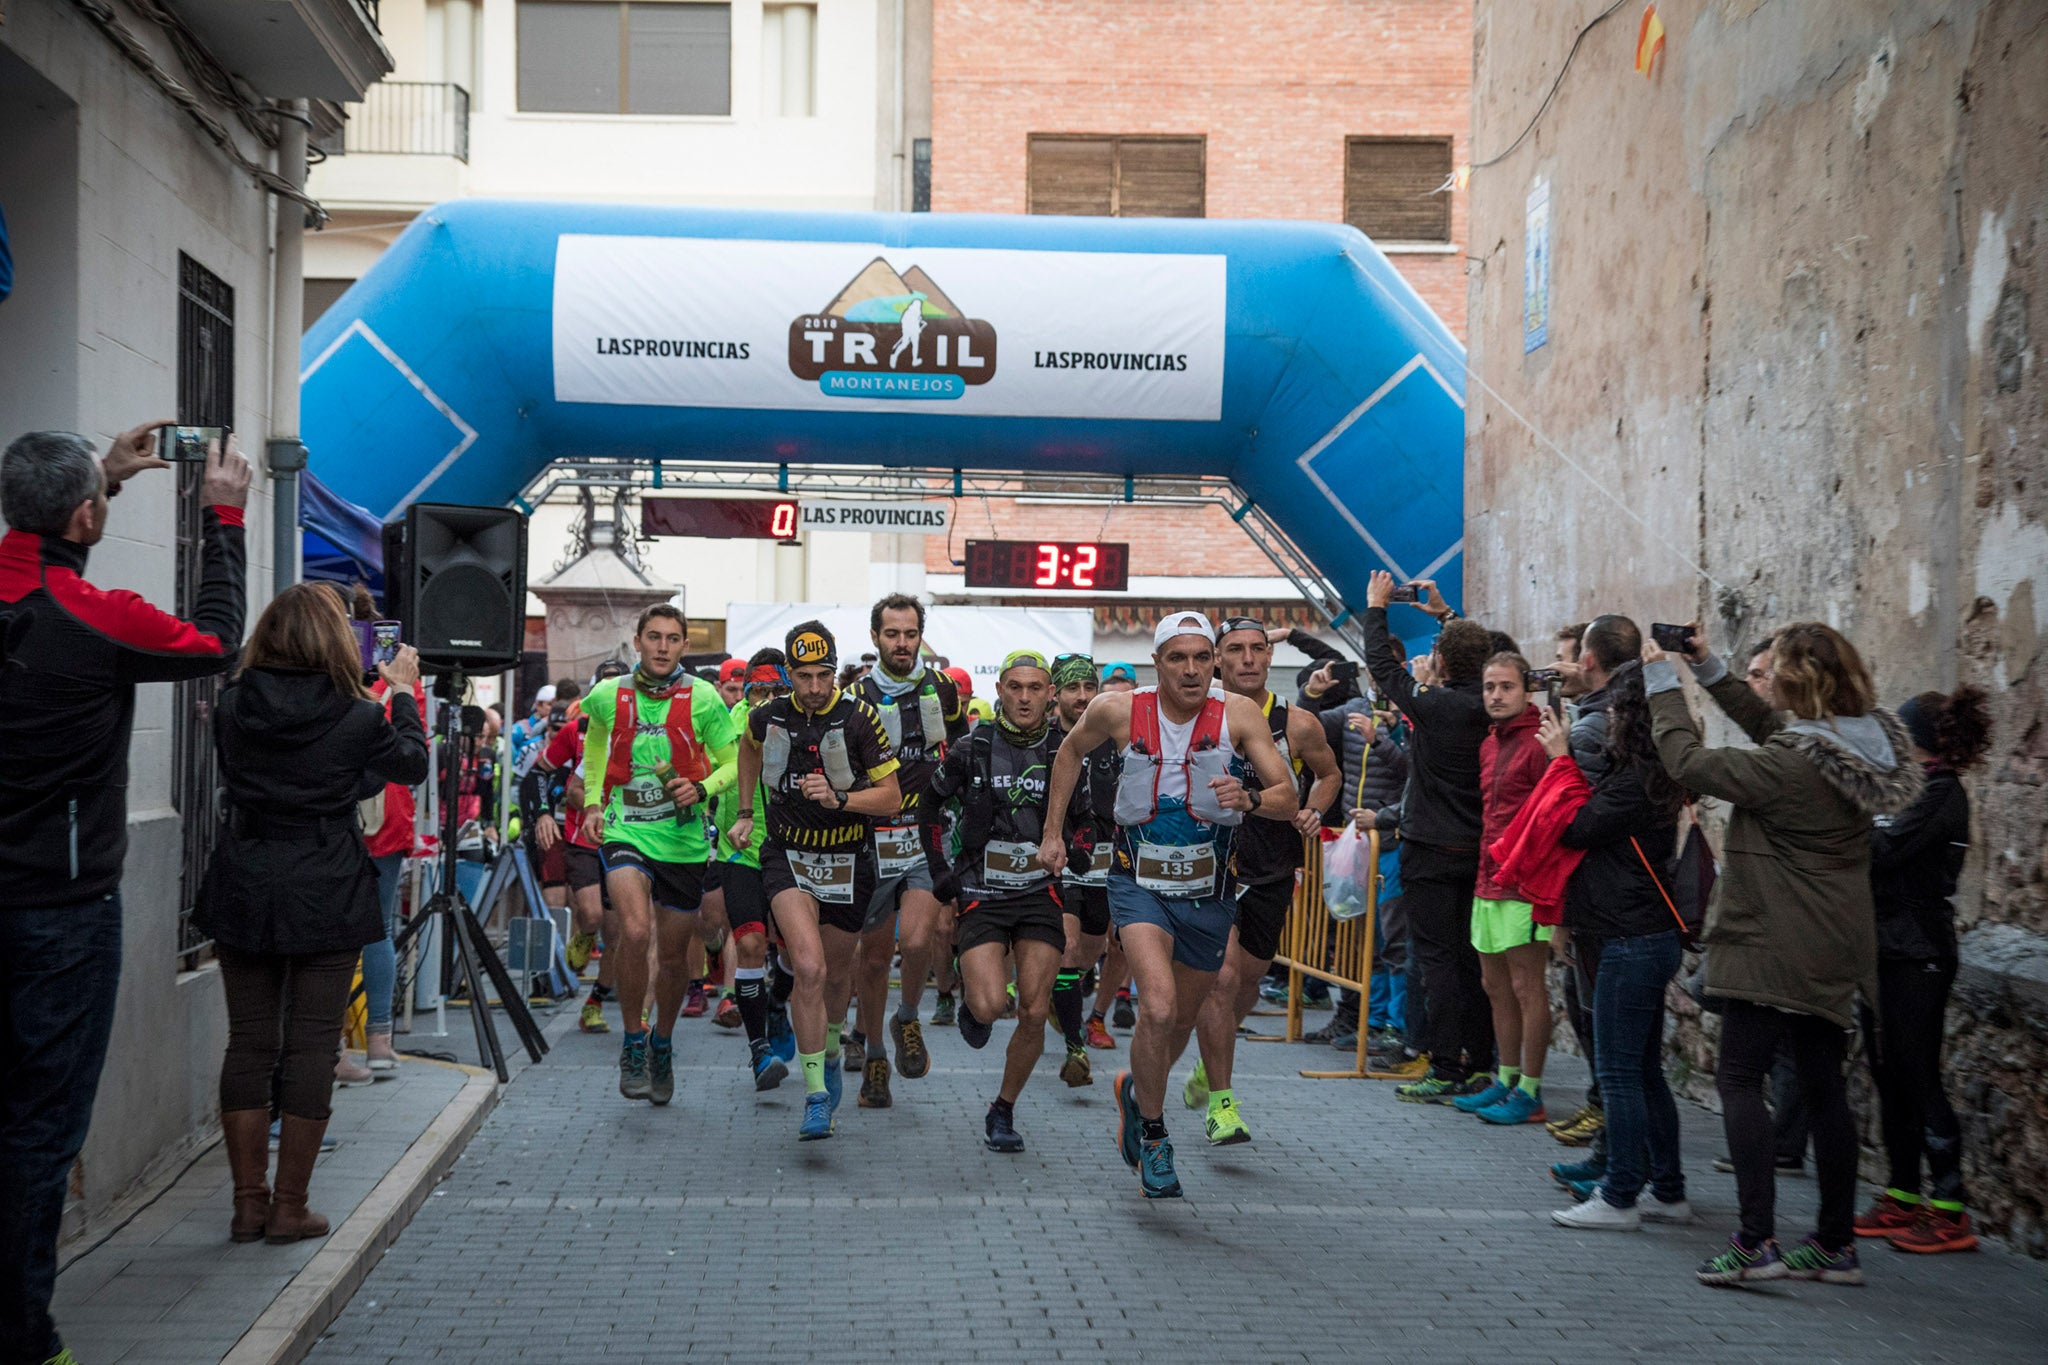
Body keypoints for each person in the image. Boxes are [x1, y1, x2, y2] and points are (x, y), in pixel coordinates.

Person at [0, 425, 249, 1365]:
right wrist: (221, 517)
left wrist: (96, 481)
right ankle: (23, 1336)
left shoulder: (30, 581)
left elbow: (35, 548)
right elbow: (216, 641)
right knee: (39, 1125)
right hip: (59, 909)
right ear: (83, 518)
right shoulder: (94, 615)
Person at [1648, 622, 1922, 1287]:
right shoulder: (1863, 744)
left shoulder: (1791, 765)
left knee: (1740, 1077)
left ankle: (1754, 1240)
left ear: (1801, 679)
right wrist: (1707, 665)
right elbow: (1774, 727)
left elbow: (1689, 763)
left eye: (1774, 670)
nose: (1763, 679)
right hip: (1834, 940)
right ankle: (1833, 1244)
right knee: (1824, 1084)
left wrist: (1661, 683)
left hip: (1772, 937)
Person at [195, 584, 426, 1247]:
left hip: (247, 875)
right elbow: (406, 762)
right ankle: (289, 1205)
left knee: (249, 1040)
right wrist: (404, 691)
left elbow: (250, 777)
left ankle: (247, 1203)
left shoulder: (234, 707)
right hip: (325, 882)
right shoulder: (357, 717)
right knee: (312, 1042)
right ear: (334, 640)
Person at [1039, 611, 1297, 1198]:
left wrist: (1251, 796)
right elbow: (1068, 754)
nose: (1190, 670)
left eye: (1201, 658)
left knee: (1179, 1020)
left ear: (1214, 663)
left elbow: (1287, 795)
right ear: (1156, 664)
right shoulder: (1118, 710)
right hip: (1138, 883)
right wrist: (1052, 832)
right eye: (1177, 658)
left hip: (1210, 891)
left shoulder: (1239, 713)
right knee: (1155, 1007)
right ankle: (1155, 1136)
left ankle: (1136, 1093)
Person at [1535, 616, 1691, 1231]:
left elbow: (1575, 825)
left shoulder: (1635, 783)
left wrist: (1558, 759)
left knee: (1621, 1071)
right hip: (1639, 931)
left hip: (1631, 935)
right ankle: (1669, 1188)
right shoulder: (1646, 775)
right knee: (1645, 1068)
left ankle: (1621, 1193)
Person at [729, 621, 900, 1141]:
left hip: (849, 858)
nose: (815, 687)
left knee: (836, 975)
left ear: (834, 672)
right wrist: (742, 811)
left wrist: (840, 799)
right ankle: (816, 1096)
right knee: (808, 966)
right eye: (803, 676)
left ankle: (828, 1046)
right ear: (789, 675)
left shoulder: (859, 717)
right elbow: (748, 747)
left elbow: (890, 797)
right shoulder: (769, 714)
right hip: (787, 857)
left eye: (824, 675)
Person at [1183, 617, 1338, 1144]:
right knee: (1221, 980)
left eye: (1256, 649)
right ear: (1218, 660)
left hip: (1272, 865)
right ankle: (1223, 1104)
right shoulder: (1195, 717)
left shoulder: (1299, 724)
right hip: (1211, 864)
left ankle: (1209, 1064)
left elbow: (1329, 773)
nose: (1248, 659)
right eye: (1235, 651)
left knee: (1248, 979)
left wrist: (1312, 811)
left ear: (1270, 659)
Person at [578, 605, 740, 1107]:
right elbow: (596, 750)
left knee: (672, 958)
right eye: (654, 637)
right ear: (638, 642)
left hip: (684, 842)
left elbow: (735, 762)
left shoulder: (705, 698)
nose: (663, 646)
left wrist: (703, 786)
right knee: (636, 930)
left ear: (684, 647)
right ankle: (632, 1040)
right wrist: (591, 802)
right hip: (627, 829)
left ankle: (662, 1043)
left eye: (673, 638)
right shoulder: (609, 694)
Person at [921, 650, 1083, 1152]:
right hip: (981, 890)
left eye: (1036, 688)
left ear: (1050, 694)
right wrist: (941, 874)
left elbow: (1090, 818)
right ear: (1000, 692)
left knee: (1034, 1011)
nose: (1025, 697)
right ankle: (974, 1006)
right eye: (1015, 687)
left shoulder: (1068, 748)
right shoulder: (972, 748)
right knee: (992, 1005)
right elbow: (930, 803)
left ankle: (1003, 1110)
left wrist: (1071, 853)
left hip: (1041, 892)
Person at [1853, 685, 1991, 1254]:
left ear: (1916, 739)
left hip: (1919, 953)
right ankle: (1903, 1193)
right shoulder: (1909, 789)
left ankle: (1950, 1208)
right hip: (1884, 949)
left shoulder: (1940, 794)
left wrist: (1857, 828)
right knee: (1888, 1073)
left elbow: (1882, 855)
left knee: (1918, 1074)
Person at [1361, 571, 1497, 1103]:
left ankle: (1444, 1063)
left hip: (1429, 848)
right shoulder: (1491, 706)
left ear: (1440, 661)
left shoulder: (1435, 705)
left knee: (1436, 960)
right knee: (1473, 960)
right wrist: (1446, 616)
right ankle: (1482, 1061)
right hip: (1478, 849)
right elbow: (1484, 655)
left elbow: (1383, 668)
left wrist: (1376, 609)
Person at [850, 594, 967, 1107]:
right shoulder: (852, 694)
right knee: (874, 961)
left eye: (910, 633)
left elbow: (964, 751)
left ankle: (907, 1017)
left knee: (918, 941)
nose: (902, 643)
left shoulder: (942, 688)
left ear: (921, 636)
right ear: (875, 637)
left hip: (925, 834)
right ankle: (875, 1056)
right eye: (892, 634)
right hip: (871, 840)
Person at [1449, 651, 1553, 1125]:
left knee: (1526, 987)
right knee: (1495, 986)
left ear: (1526, 689)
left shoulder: (1540, 741)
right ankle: (1505, 1079)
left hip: (1525, 883)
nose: (1495, 695)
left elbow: (1553, 815)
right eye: (1490, 686)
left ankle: (1531, 1091)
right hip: (1486, 879)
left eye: (1506, 687)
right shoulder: (1489, 743)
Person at [711, 649, 798, 1090]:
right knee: (749, 944)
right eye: (757, 691)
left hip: (791, 854)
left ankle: (779, 1002)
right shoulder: (728, 724)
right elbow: (719, 769)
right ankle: (759, 1050)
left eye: (776, 690)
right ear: (745, 692)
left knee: (791, 956)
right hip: (740, 853)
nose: (766, 699)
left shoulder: (800, 721)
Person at [526, 664, 625, 1032]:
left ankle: (594, 1004)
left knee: (617, 935)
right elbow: (539, 773)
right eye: (603, 688)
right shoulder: (576, 729)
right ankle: (584, 933)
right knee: (593, 915)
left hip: (622, 840)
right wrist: (541, 814)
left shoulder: (638, 732)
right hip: (580, 836)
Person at [1049, 653, 1115, 1081]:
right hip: (1062, 862)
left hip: (1106, 864)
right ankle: (1076, 1050)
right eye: (1073, 688)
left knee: (1091, 951)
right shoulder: (1045, 740)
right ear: (1056, 693)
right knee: (1069, 950)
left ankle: (1067, 996)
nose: (1082, 696)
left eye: (1089, 687)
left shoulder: (1115, 737)